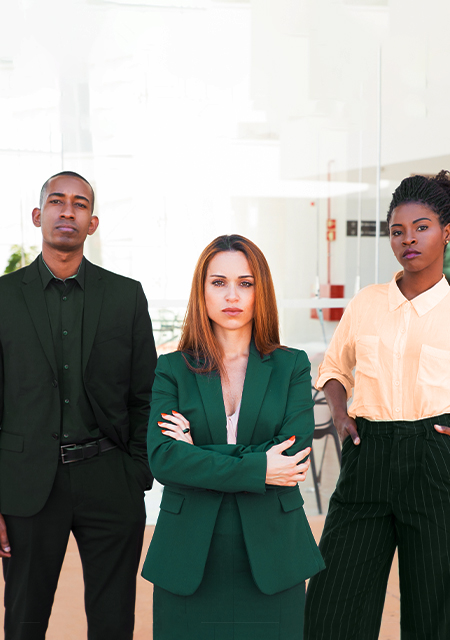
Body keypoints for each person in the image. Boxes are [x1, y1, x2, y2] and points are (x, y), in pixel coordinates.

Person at [141, 234, 325, 640]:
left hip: (274, 556)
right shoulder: (172, 368)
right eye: (218, 282)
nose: (232, 295)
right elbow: (163, 460)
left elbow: (292, 456)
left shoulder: (291, 365)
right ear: (201, 291)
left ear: (261, 291)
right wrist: (260, 466)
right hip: (188, 556)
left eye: (245, 283)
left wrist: (198, 454)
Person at [0, 171, 157, 640]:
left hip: (110, 478)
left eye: (80, 204)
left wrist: (137, 475)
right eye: (56, 201)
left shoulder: (125, 296)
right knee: (24, 622)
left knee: (113, 624)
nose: (67, 211)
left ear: (92, 223)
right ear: (37, 215)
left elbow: (145, 394)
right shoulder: (3, 298)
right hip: (26, 487)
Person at [304, 170, 450, 640]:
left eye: (421, 227)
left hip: (436, 461)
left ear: (447, 232)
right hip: (368, 452)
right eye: (397, 231)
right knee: (333, 603)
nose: (408, 240)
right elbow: (333, 369)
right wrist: (342, 413)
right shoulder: (367, 303)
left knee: (435, 607)